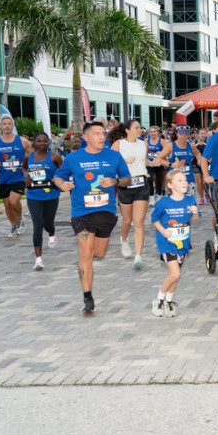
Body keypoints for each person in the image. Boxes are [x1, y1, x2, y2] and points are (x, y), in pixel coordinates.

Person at [53, 121, 132, 315]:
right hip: (82, 213)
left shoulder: (114, 156)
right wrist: (61, 184)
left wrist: (114, 181)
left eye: (102, 133)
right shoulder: (74, 158)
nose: (101, 136)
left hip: (105, 213)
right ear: (86, 137)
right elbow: (58, 176)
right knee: (86, 255)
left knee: (99, 252)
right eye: (96, 133)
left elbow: (127, 179)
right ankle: (87, 297)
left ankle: (86, 263)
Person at [151, 169, 199, 318]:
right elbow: (154, 219)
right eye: (180, 180)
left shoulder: (190, 200)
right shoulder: (164, 203)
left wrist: (195, 212)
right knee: (175, 273)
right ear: (170, 185)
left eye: (185, 180)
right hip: (166, 243)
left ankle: (169, 301)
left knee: (175, 275)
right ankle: (158, 299)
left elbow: (195, 219)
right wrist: (163, 231)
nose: (184, 183)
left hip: (182, 243)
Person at [111, 120, 151, 270]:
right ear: (127, 130)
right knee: (127, 219)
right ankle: (124, 239)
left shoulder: (143, 144)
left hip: (141, 183)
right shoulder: (118, 144)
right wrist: (124, 162)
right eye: (136, 127)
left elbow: (144, 161)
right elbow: (111, 164)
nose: (139, 129)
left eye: (139, 127)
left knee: (139, 221)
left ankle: (138, 256)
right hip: (125, 184)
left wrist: (156, 162)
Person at [22, 132, 63, 271]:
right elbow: (23, 167)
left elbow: (63, 171)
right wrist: (26, 175)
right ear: (34, 142)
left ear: (49, 142)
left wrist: (58, 181)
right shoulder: (29, 156)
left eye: (45, 141)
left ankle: (51, 232)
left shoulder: (54, 157)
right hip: (34, 195)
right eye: (39, 141)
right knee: (37, 225)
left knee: (48, 223)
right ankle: (38, 259)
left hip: (51, 195)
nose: (42, 143)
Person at [0, 115, 31, 237]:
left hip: (18, 176)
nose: (6, 126)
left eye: (9, 124)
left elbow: (32, 155)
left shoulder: (22, 141)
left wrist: (26, 165)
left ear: (12, 126)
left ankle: (20, 218)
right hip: (3, 177)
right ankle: (13, 226)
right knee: (7, 204)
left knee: (13, 200)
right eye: (4, 124)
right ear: (0, 126)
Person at [167, 125, 204, 199]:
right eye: (181, 134)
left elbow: (197, 154)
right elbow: (159, 159)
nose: (184, 136)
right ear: (177, 134)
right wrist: (171, 164)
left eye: (186, 134)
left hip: (188, 179)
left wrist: (200, 160)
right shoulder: (171, 145)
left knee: (188, 202)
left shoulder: (191, 146)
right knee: (175, 203)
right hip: (174, 179)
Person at [145, 125, 170, 205]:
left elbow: (167, 152)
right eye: (151, 132)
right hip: (150, 163)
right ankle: (151, 198)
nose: (152, 133)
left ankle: (159, 196)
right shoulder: (146, 140)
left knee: (159, 180)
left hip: (159, 163)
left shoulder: (161, 141)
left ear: (158, 133)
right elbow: (144, 151)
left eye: (154, 132)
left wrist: (162, 154)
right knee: (150, 179)